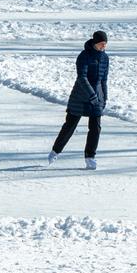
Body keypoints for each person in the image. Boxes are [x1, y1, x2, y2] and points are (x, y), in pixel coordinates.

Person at [48, 31, 109, 171]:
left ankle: (90, 157)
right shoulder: (84, 56)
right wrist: (91, 95)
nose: (103, 47)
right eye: (101, 44)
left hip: (97, 96)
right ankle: (55, 151)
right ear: (95, 43)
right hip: (80, 96)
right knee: (70, 126)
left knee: (96, 128)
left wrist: (104, 97)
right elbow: (82, 77)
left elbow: (104, 80)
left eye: (105, 45)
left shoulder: (105, 58)